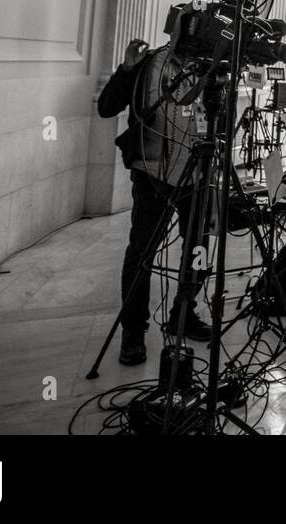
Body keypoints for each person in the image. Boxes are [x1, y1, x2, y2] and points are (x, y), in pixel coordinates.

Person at [97, 35, 214, 366]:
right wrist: (126, 69)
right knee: (141, 254)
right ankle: (133, 333)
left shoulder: (210, 69)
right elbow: (107, 108)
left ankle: (183, 312)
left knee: (199, 249)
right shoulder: (148, 63)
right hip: (152, 173)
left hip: (195, 175)